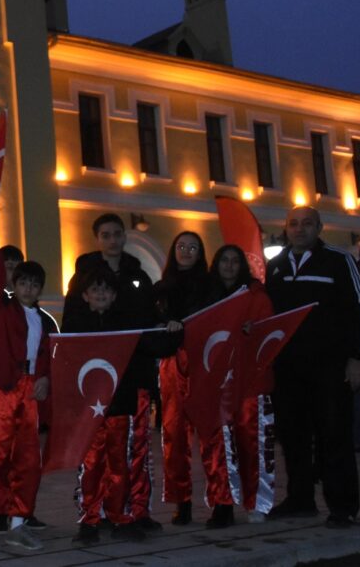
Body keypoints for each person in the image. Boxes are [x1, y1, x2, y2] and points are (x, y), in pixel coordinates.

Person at [265, 206, 360, 528]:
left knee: (333, 436)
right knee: (294, 437)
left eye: (307, 223)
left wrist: (359, 358)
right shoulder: (276, 266)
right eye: (293, 224)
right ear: (286, 228)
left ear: (319, 227)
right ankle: (300, 499)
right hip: (287, 369)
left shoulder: (339, 261)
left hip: (329, 368)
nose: (299, 229)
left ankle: (342, 507)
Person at [63, 267, 182, 546]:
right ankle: (88, 521)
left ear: (114, 295)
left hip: (121, 405)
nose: (101, 294)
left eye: (106, 290)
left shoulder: (126, 325)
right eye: (95, 290)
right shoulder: (76, 327)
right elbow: (64, 363)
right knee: (90, 467)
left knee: (121, 466)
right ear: (85, 296)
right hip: (89, 412)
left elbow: (154, 345)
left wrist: (175, 333)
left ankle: (121, 517)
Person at [0, 248, 55, 553]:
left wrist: (43, 378)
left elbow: (46, 356)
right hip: (3, 388)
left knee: (28, 459)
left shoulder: (43, 320)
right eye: (23, 283)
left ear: (40, 289)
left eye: (34, 285)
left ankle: (18, 524)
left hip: (29, 390)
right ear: (13, 285)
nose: (28, 289)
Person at [206, 244, 274, 525]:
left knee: (253, 442)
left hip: (251, 381)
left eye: (235, 261)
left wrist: (254, 330)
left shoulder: (256, 296)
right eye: (225, 261)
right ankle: (223, 502)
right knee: (220, 447)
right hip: (217, 382)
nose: (230, 266)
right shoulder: (207, 295)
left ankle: (256, 502)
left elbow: (269, 329)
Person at [152, 231, 209, 526]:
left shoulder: (209, 285)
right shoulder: (161, 287)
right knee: (174, 434)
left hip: (204, 363)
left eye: (193, 247)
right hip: (172, 364)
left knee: (212, 436)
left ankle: (221, 499)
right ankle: (181, 501)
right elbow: (151, 321)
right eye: (182, 246)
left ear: (200, 254)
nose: (186, 251)